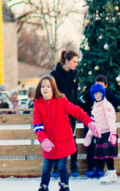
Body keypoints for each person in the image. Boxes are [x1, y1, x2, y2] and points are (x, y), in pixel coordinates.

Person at [31, 75, 99, 191]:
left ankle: (64, 185)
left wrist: (90, 123)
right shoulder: (38, 105)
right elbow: (37, 124)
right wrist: (43, 139)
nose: (45, 89)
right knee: (47, 167)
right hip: (48, 143)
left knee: (62, 166)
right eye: (42, 86)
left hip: (63, 141)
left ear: (53, 89)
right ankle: (43, 186)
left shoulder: (61, 102)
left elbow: (77, 111)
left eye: (48, 86)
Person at [50, 50, 82, 178]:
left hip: (71, 111)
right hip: (58, 111)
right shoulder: (54, 74)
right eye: (74, 62)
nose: (76, 64)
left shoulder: (75, 74)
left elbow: (75, 92)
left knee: (71, 136)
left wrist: (76, 106)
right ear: (67, 61)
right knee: (57, 137)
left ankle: (73, 163)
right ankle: (56, 165)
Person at [82, 83, 117, 184]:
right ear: (93, 95)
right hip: (100, 134)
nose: (98, 95)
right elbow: (93, 122)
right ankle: (110, 173)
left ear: (103, 93)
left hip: (108, 133)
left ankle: (112, 173)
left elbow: (111, 119)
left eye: (100, 93)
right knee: (102, 156)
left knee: (108, 155)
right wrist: (89, 134)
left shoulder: (107, 105)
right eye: (96, 94)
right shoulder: (95, 106)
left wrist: (113, 133)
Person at [82, 75, 110, 179]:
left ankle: (100, 167)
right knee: (90, 145)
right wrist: (86, 114)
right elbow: (81, 101)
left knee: (101, 145)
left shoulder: (108, 96)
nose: (98, 87)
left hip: (103, 125)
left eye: (101, 85)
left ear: (105, 86)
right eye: (96, 84)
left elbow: (115, 101)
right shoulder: (89, 95)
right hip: (91, 123)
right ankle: (91, 166)